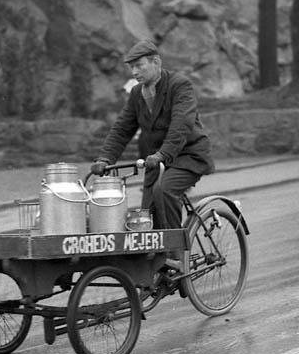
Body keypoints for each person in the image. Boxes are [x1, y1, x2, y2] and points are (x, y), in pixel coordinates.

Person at [91, 40, 215, 248]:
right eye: (132, 67)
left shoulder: (179, 85)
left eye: (139, 66)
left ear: (156, 62)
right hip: (156, 162)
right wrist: (105, 158)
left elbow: (181, 124)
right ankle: (157, 261)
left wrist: (163, 153)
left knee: (165, 191)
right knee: (145, 218)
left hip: (188, 156)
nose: (135, 72)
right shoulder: (137, 93)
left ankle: (175, 252)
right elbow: (122, 128)